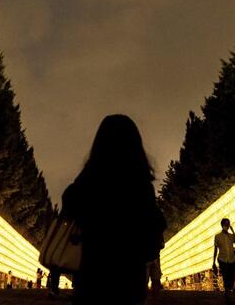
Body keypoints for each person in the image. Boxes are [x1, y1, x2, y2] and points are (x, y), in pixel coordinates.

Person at [61, 114, 166, 305]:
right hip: (129, 275)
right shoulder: (140, 183)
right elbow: (153, 226)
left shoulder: (90, 178)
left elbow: (69, 204)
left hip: (93, 271)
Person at [212, 217, 235, 303]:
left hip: (231, 260)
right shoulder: (217, 236)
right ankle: (227, 293)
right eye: (225, 224)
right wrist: (213, 262)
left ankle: (228, 290)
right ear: (222, 225)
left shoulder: (231, 236)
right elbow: (215, 249)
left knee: (232, 278)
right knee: (225, 276)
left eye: (228, 224)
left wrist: (233, 231)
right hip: (222, 259)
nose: (227, 226)